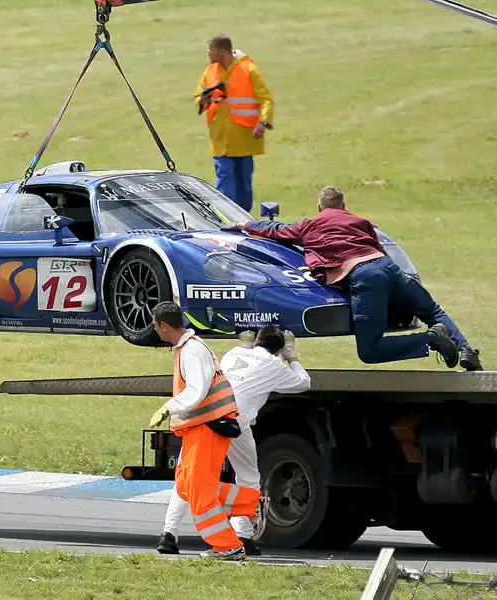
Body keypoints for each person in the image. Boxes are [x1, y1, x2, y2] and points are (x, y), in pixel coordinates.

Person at [222, 186, 482, 371]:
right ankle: (467, 350)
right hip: (387, 268)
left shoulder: (311, 225)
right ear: (343, 207)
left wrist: (245, 225)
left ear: (319, 207)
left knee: (370, 351)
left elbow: (277, 230)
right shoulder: (361, 221)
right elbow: (376, 246)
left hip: (362, 276)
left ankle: (430, 339)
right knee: (433, 310)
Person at [156, 325, 312, 556]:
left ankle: (169, 534)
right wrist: (292, 356)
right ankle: (244, 530)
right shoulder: (274, 364)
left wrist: (246, 345)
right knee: (246, 477)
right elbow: (304, 382)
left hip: (207, 419)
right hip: (236, 424)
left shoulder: (232, 353)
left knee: (186, 477)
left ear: (255, 342)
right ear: (278, 351)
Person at [147, 301, 262, 561]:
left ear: (164, 325)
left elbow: (196, 390)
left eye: (155, 325)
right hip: (199, 428)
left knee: (200, 493)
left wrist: (168, 407)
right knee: (187, 486)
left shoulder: (192, 350)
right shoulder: (187, 348)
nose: (155, 330)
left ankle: (227, 547)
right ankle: (252, 504)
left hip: (207, 429)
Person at [195, 34, 274, 213]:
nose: (208, 54)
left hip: (244, 139)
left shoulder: (249, 70)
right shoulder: (210, 71)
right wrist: (203, 99)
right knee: (225, 179)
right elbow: (198, 97)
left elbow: (266, 99)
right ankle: (226, 218)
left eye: (210, 50)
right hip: (220, 139)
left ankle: (243, 218)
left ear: (222, 51)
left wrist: (263, 123)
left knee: (243, 184)